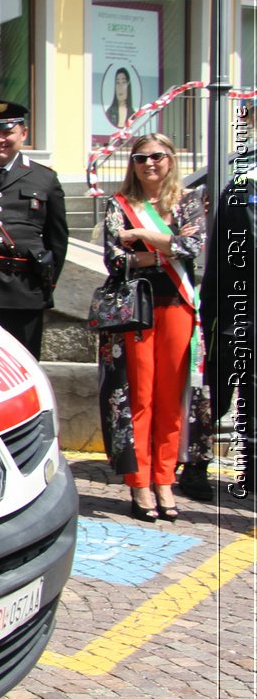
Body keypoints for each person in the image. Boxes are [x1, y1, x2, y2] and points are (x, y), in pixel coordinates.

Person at [99, 133, 206, 522]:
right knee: (139, 396)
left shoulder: (189, 201)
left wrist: (143, 238)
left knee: (170, 395)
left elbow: (192, 248)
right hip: (135, 311)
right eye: (141, 157)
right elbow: (116, 261)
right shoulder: (118, 204)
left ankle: (164, 479)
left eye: (158, 157)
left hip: (177, 306)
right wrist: (166, 247)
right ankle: (140, 481)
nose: (149, 164)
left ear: (171, 159)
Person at [0, 99, 68, 358]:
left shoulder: (44, 178)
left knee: (24, 362)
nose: (0, 139)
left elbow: (58, 240)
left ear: (23, 133)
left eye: (7, 132)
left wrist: (47, 284)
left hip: (25, 290)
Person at [197, 162, 256, 499]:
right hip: (233, 310)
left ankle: (250, 470)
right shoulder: (243, 189)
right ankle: (195, 466)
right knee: (217, 395)